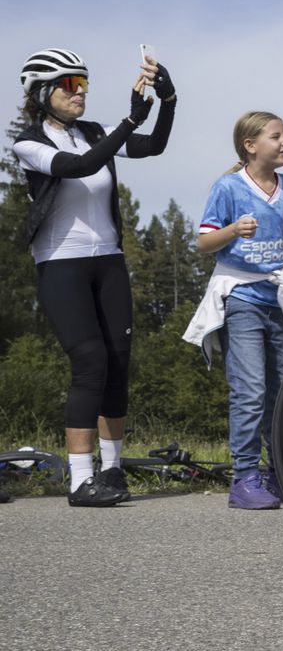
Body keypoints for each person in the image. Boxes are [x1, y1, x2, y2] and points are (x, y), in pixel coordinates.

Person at [14, 48, 177, 507]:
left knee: (118, 365)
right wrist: (129, 120)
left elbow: (155, 146)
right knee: (89, 363)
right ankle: (80, 480)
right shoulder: (28, 143)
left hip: (109, 260)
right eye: (70, 85)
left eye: (83, 84)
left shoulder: (94, 132)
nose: (80, 93)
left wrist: (168, 102)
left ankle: (112, 470)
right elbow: (78, 167)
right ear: (42, 93)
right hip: (61, 262)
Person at [190, 111, 283, 509]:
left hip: (279, 300)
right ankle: (244, 478)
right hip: (240, 298)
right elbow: (203, 244)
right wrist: (233, 230)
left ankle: (279, 473)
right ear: (250, 146)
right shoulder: (228, 188)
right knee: (250, 390)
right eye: (276, 136)